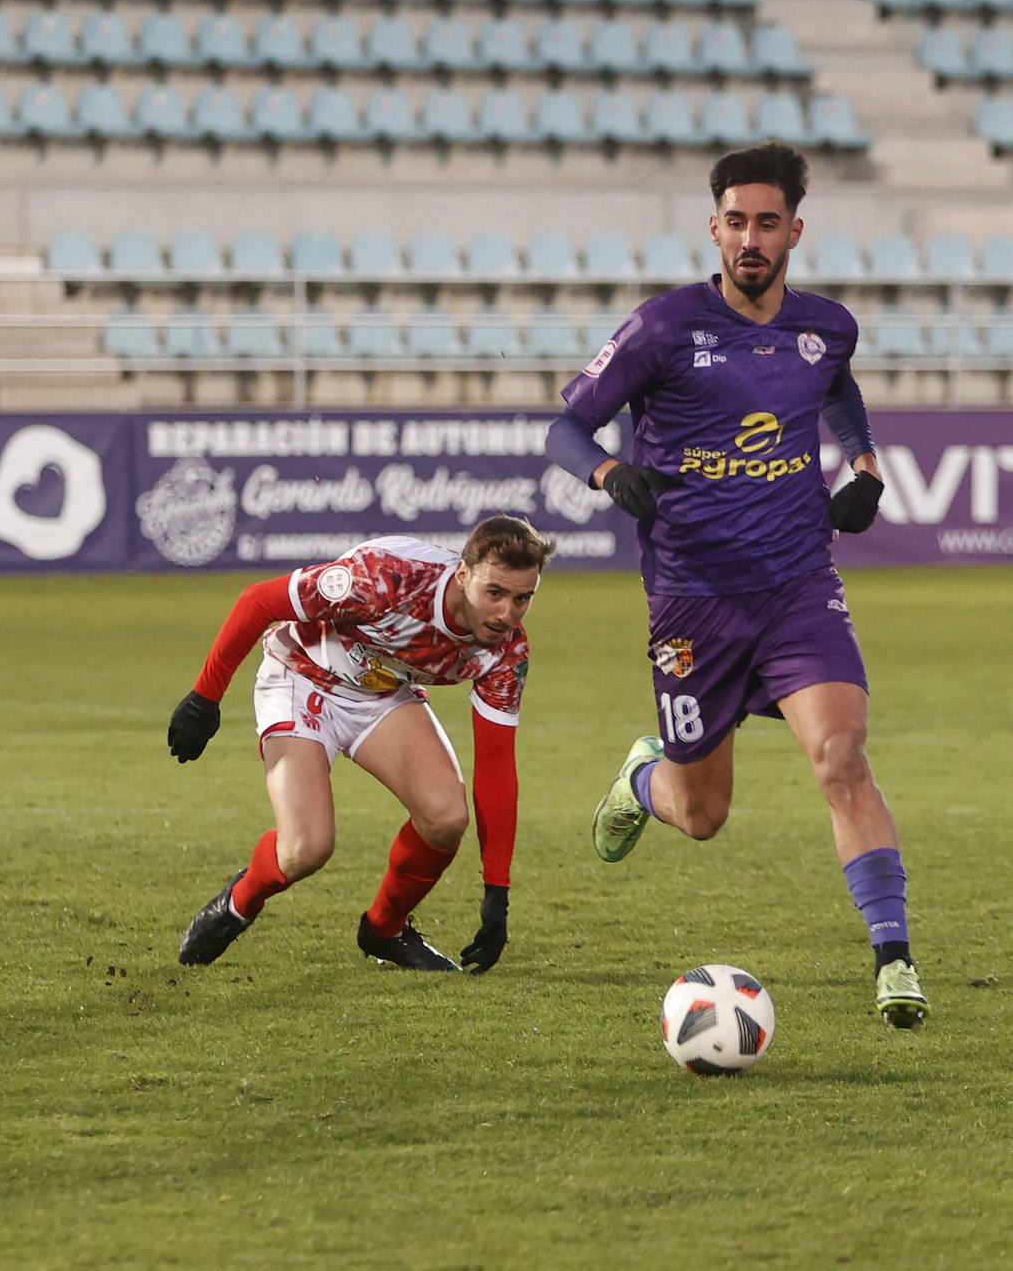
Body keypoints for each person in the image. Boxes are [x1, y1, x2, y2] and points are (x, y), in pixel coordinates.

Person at [545, 141, 928, 1028]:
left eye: (766, 222)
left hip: (798, 583)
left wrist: (861, 464)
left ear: (794, 229)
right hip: (691, 598)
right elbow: (566, 427)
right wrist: (606, 476)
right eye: (734, 222)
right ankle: (644, 781)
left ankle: (893, 957)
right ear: (712, 229)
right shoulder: (663, 328)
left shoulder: (826, 325)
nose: (749, 238)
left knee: (840, 759)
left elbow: (838, 391)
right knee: (702, 812)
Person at [168, 515, 555, 973]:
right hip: (302, 676)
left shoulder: (507, 653)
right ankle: (239, 901)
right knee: (305, 849)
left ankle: (385, 930)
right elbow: (257, 601)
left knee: (445, 817)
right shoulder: (385, 580)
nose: (506, 613)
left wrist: (497, 892)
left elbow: (495, 768)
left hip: (380, 693)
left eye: (522, 599)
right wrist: (204, 697)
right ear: (464, 574)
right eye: (495, 593)